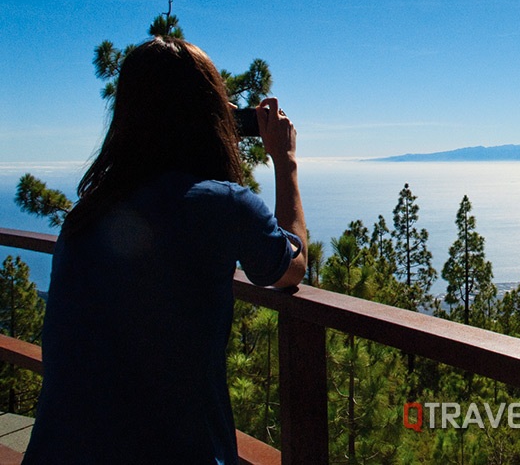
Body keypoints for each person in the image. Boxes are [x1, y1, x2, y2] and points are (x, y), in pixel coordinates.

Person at [23, 36, 307, 464]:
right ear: (209, 116)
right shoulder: (220, 204)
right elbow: (291, 267)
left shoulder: (88, 212)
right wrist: (285, 163)